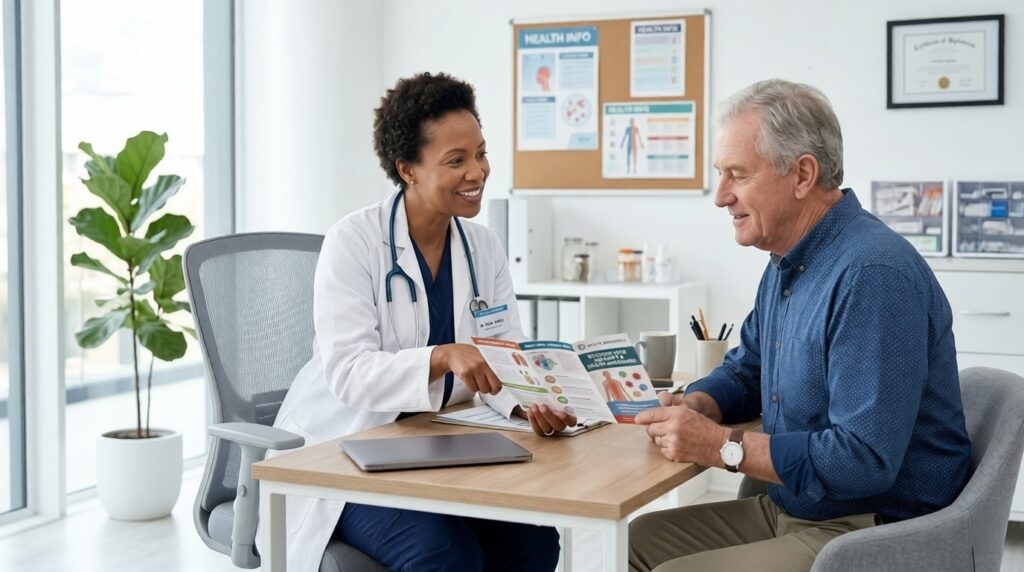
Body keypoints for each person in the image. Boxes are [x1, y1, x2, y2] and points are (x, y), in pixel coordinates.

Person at [532, 79, 973, 570]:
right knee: (634, 543)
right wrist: (698, 402)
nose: (721, 197)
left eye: (737, 175)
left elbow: (862, 460)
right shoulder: (788, 260)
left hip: (874, 530)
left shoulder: (871, 276)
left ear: (802, 174)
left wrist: (721, 446)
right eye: (721, 175)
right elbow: (747, 370)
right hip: (795, 507)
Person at [261, 72, 561, 572]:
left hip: (444, 442)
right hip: (347, 450)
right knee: (444, 555)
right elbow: (349, 372)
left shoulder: (482, 246)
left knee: (534, 542)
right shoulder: (354, 242)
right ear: (408, 169)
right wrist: (442, 357)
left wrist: (530, 405)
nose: (478, 172)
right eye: (456, 161)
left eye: (481, 153)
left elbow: (505, 355)